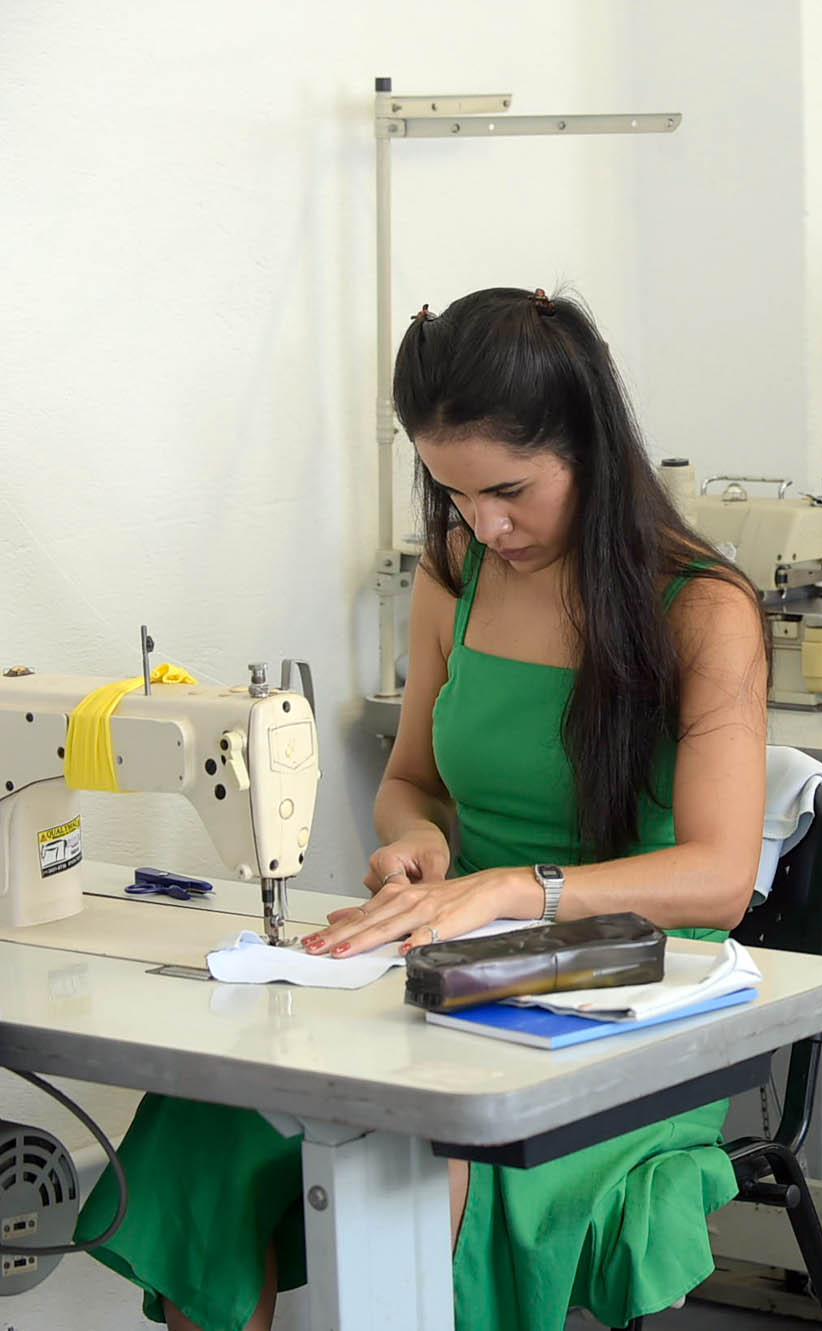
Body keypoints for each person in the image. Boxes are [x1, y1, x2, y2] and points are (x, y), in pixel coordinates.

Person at [78, 287, 769, 1331]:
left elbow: (719, 877)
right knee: (211, 1105)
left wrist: (510, 889)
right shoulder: (456, 574)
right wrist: (418, 844)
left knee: (420, 1144)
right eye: (454, 494)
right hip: (460, 958)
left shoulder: (703, 608)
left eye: (510, 490)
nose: (486, 524)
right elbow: (412, 782)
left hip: (635, 982)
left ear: (588, 447)